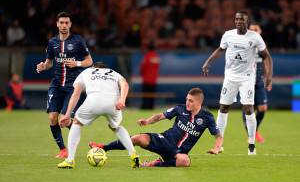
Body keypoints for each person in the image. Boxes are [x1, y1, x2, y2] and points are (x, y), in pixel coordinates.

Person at [89, 88, 223, 167]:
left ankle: (155, 163)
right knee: (138, 138)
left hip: (178, 153)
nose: (187, 102)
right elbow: (160, 116)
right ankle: (103, 148)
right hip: (164, 140)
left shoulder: (207, 117)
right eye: (187, 99)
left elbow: (218, 135)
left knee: (185, 161)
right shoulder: (180, 109)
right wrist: (147, 121)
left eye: (191, 101)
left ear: (199, 102)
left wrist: (217, 148)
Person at [202, 10, 273, 155]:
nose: (239, 21)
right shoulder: (228, 34)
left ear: (247, 22)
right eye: (237, 19)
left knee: (248, 109)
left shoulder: (255, 37)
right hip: (230, 77)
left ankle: (251, 144)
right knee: (223, 108)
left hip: (247, 78)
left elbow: (267, 57)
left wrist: (269, 77)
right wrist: (208, 62)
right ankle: (219, 144)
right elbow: (220, 49)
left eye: (242, 19)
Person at [57, 62, 140, 169]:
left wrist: (67, 114)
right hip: (113, 103)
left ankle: (70, 160)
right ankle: (133, 154)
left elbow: (76, 94)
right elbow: (125, 85)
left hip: (93, 101)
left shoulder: (86, 72)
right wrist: (122, 100)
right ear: (105, 68)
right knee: (116, 127)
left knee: (77, 123)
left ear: (93, 67)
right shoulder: (114, 73)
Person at [36, 12, 93, 159]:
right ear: (57, 24)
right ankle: (63, 149)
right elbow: (49, 62)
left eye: (67, 23)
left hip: (72, 87)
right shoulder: (52, 43)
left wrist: (77, 63)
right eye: (61, 22)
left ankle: (75, 127)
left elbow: (89, 61)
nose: (64, 25)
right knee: (53, 118)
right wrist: (43, 66)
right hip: (56, 85)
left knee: (63, 118)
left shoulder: (78, 41)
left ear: (70, 24)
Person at [242, 23, 271, 143]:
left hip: (258, 80)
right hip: (245, 80)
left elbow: (266, 62)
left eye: (256, 29)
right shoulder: (243, 45)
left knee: (263, 108)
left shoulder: (262, 47)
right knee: (248, 107)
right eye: (251, 29)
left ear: (260, 31)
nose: (253, 31)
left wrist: (268, 79)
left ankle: (255, 130)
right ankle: (251, 133)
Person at [140, 42, 160, 109]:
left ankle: (145, 106)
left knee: (146, 94)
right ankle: (151, 106)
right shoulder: (157, 57)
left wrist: (142, 74)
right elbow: (157, 67)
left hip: (146, 79)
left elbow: (142, 67)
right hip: (154, 79)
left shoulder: (146, 56)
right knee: (152, 94)